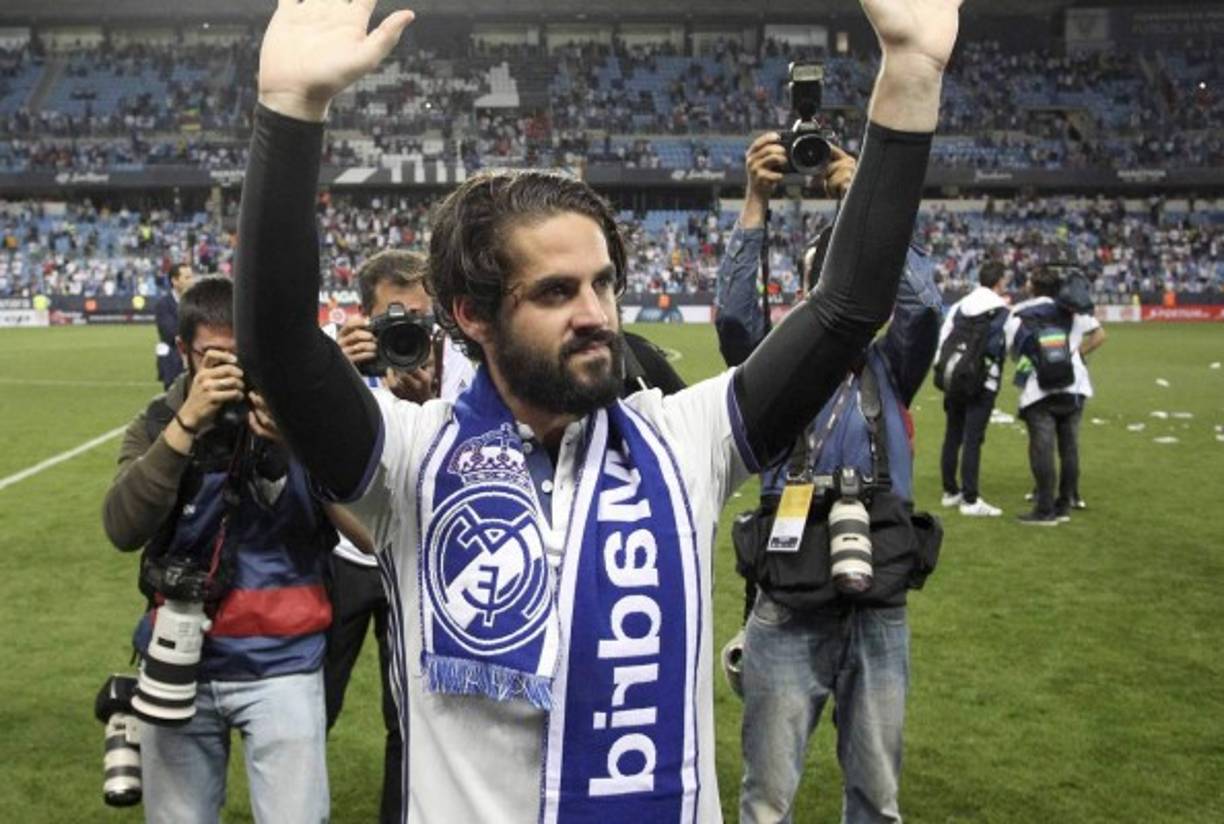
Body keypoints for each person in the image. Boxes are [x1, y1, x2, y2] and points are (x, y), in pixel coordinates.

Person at [235, 1, 961, 820]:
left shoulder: (687, 440)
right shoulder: (410, 461)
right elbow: (280, 347)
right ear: (471, 315)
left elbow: (847, 307)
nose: (596, 314)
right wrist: (290, 115)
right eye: (554, 291)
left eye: (603, 283)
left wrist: (908, 75)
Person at [714, 131, 942, 824]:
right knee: (766, 797)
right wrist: (754, 199)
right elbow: (732, 318)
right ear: (810, 294)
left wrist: (866, 199)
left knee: (877, 795)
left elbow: (924, 307)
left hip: (877, 597)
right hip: (787, 599)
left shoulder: (892, 364)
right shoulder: (776, 364)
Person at [102, 276, 336, 823]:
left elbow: (361, 532)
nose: (232, 371)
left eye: (244, 356)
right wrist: (186, 428)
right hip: (179, 662)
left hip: (283, 660)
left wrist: (293, 444)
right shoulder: (160, 422)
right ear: (183, 353)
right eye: (214, 358)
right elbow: (121, 527)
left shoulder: (293, 415)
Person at [325, 248, 475, 824]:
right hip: (347, 556)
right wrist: (336, 375)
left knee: (408, 713)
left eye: (419, 312)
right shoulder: (340, 364)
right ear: (364, 316)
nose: (408, 326)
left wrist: (434, 397)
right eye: (394, 314)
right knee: (317, 703)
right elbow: (318, 471)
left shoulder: (459, 364)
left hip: (415, 559)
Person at [1006, 265, 1106, 525]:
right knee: (1069, 447)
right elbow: (1099, 333)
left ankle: (1044, 509)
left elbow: (1014, 352)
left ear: (1033, 287)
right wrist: (1077, 354)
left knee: (1043, 448)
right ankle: (1064, 505)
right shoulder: (1071, 309)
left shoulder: (1019, 313)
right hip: (1075, 385)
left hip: (1039, 387)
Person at [937, 260, 1011, 517]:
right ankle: (970, 499)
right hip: (982, 382)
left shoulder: (960, 306)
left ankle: (950, 491)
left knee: (952, 434)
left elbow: (944, 339)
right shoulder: (1001, 310)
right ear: (1000, 281)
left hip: (955, 377)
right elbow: (1004, 347)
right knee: (972, 439)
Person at [154, 263, 193, 388]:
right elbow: (169, 333)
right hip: (173, 364)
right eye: (187, 278)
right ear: (175, 281)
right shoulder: (164, 304)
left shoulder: (196, 302)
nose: (191, 281)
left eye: (191, 277)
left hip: (194, 362)